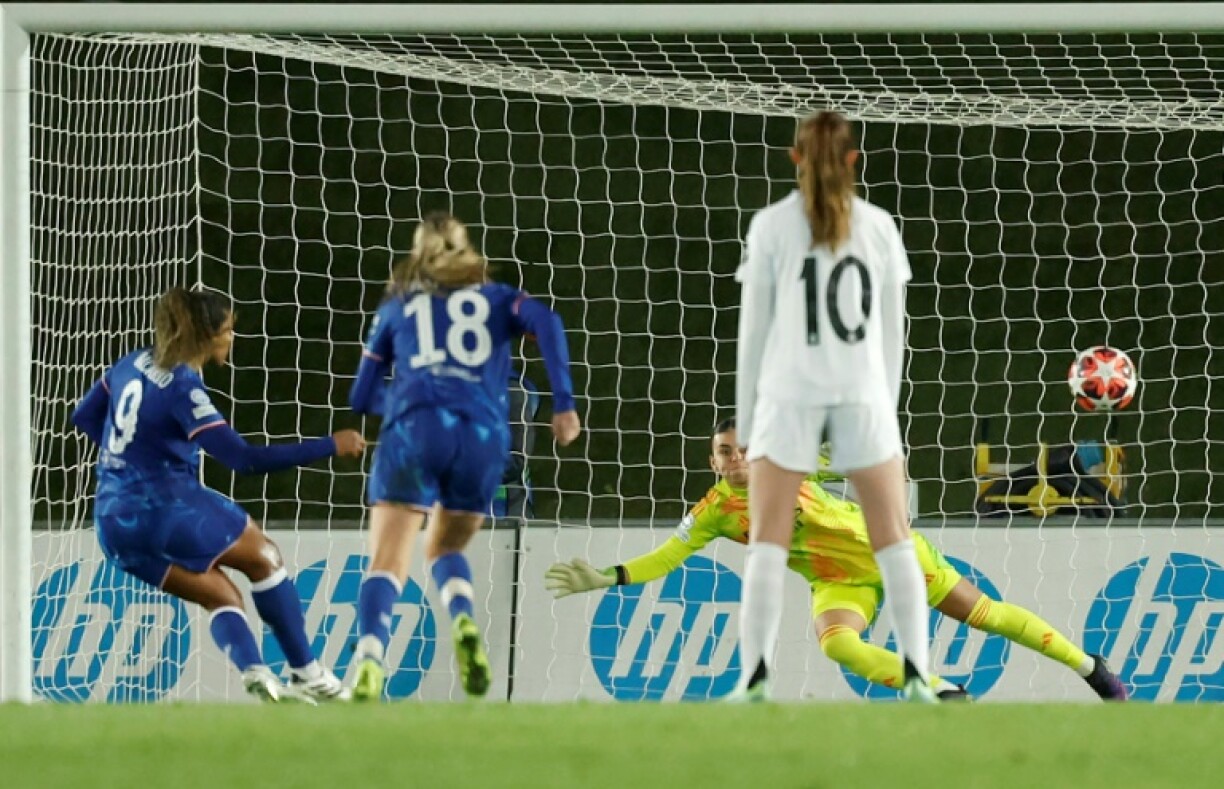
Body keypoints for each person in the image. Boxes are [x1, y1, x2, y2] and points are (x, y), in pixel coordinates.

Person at [545, 419, 1128, 702]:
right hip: (836, 580)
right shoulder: (715, 511)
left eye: (746, 445)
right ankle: (940, 691)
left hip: (890, 552)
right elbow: (667, 556)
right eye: (727, 451)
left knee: (988, 616)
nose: (739, 456)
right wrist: (610, 577)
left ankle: (1089, 667)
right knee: (836, 643)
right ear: (712, 461)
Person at [71, 287, 366, 703]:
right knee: (264, 556)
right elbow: (243, 460)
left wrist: (130, 460)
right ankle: (309, 673)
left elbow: (83, 417)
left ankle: (258, 674)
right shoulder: (183, 389)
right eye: (228, 330)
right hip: (166, 505)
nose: (231, 339)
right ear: (207, 335)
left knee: (221, 594)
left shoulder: (129, 363)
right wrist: (330, 445)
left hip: (112, 522)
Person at [734, 110, 936, 701]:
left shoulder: (771, 226)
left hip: (789, 392)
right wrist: (887, 407)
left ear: (795, 159)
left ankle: (753, 683)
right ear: (853, 161)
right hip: (861, 392)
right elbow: (893, 329)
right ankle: (919, 677)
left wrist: (748, 422)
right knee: (893, 538)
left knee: (767, 539)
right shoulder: (878, 225)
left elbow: (755, 333)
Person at [348, 212, 580, 701]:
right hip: (481, 437)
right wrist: (563, 405)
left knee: (388, 560)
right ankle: (463, 622)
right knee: (447, 549)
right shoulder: (497, 299)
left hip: (414, 433)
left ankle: (369, 659)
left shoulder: (398, 307)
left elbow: (360, 396)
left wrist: (408, 406)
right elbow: (548, 321)